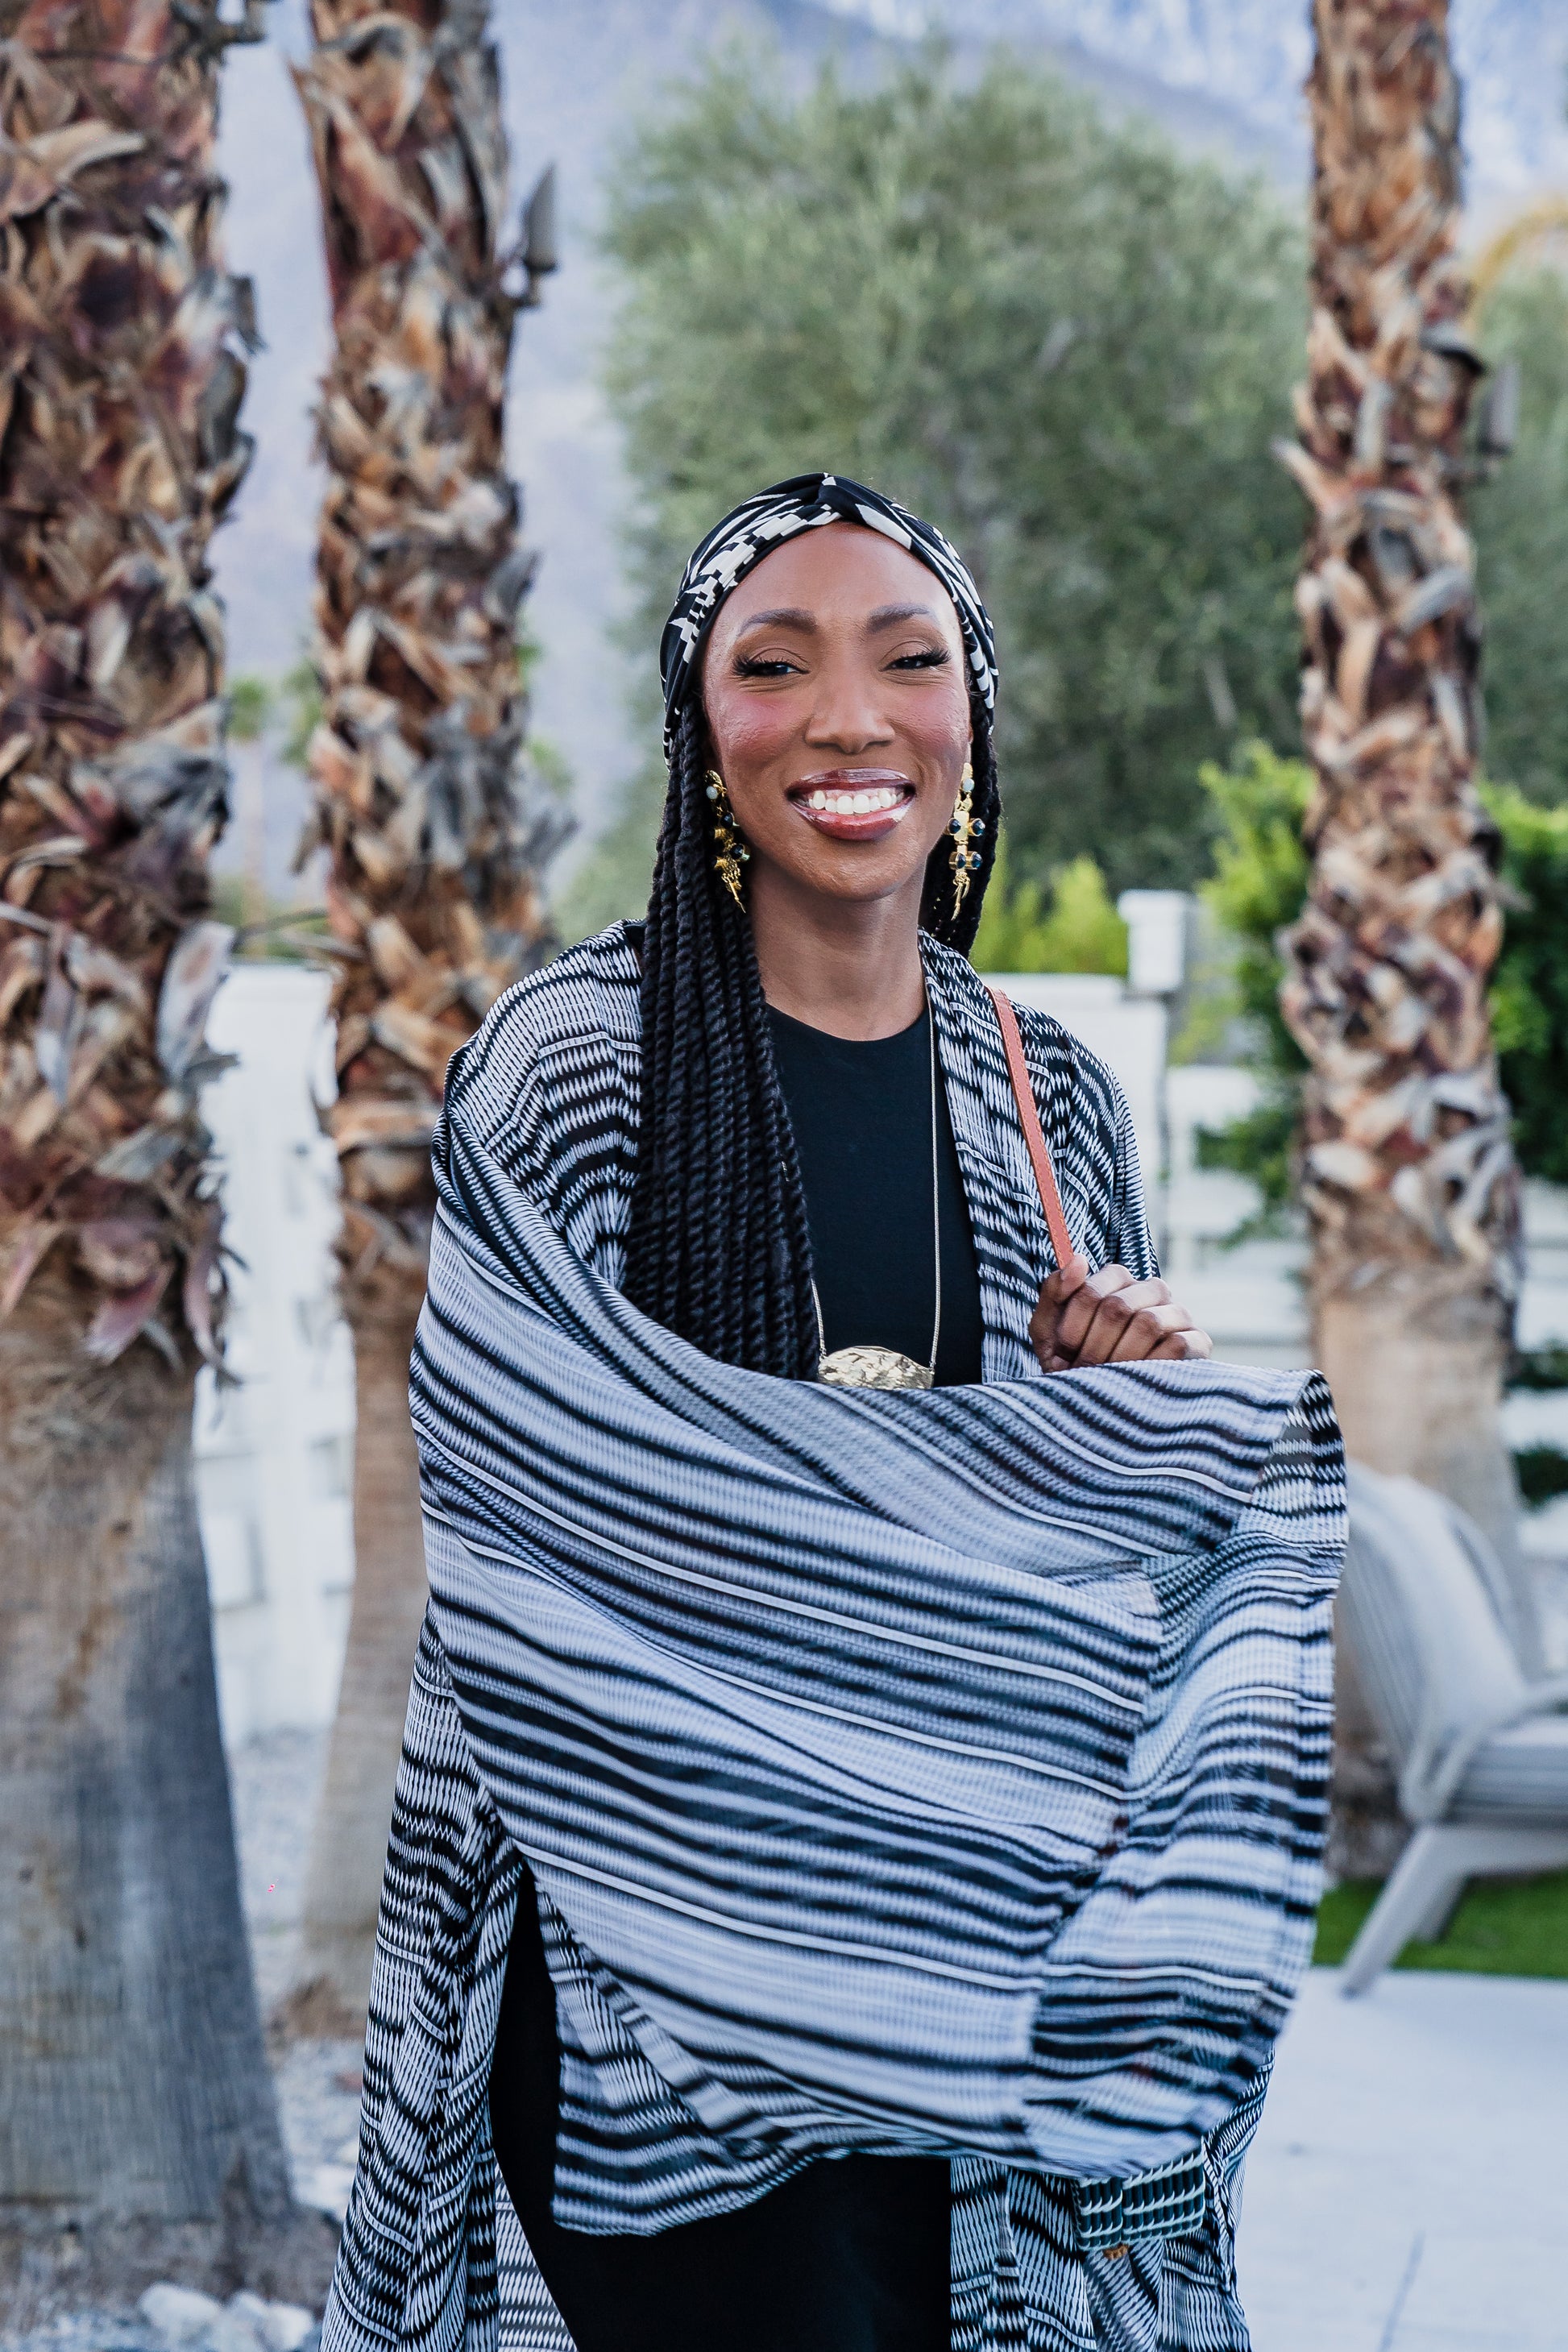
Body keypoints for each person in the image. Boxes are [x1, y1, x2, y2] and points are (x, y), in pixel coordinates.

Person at [321, 476, 1343, 2352]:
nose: (850, 717)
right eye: (773, 664)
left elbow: (1086, 1582)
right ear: (701, 732)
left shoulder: (1047, 1091)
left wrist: (1129, 1420)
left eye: (909, 658)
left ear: (974, 710)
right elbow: (516, 1518)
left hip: (956, 1973)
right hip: (651, 2003)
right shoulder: (572, 1065)